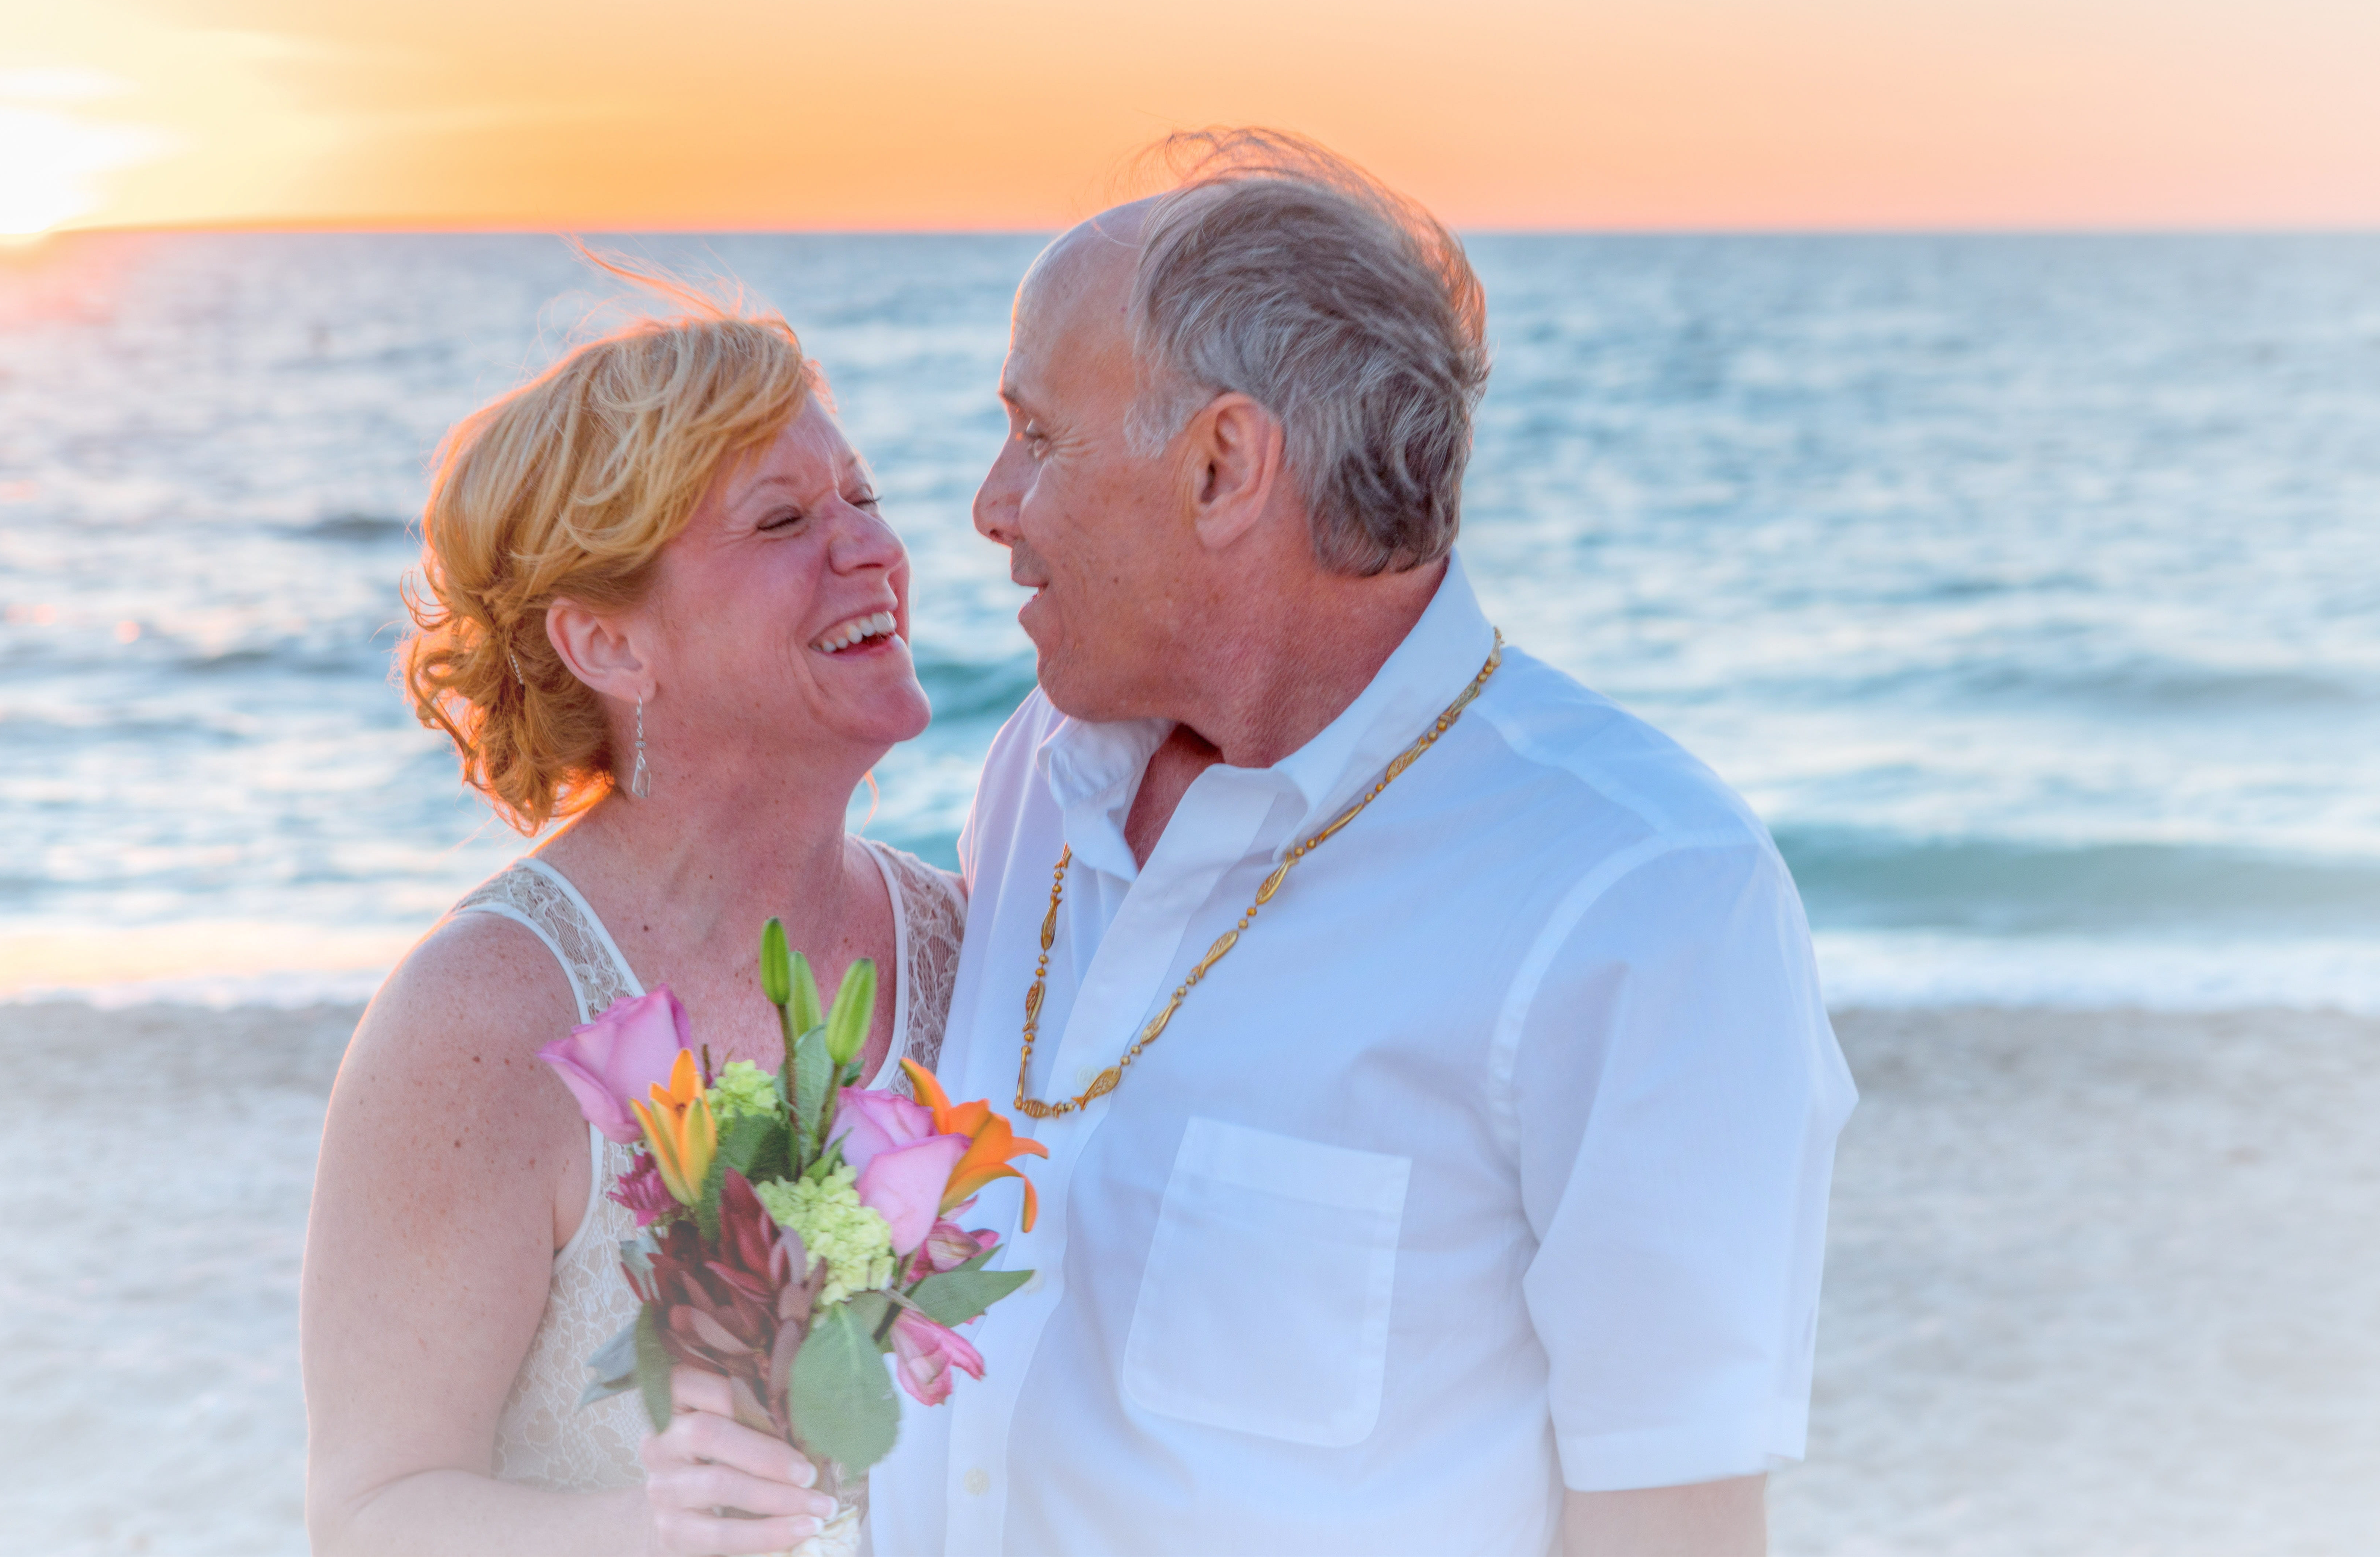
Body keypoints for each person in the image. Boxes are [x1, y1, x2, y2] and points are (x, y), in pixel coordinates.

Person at [868, 131, 1858, 1557]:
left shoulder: (1639, 904)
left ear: (1223, 467)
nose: (989, 507)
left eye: (1036, 437)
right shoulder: (1039, 771)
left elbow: (1674, 1518)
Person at [300, 286, 965, 1556]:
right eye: (781, 519)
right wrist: (648, 1530)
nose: (871, 548)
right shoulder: (485, 1018)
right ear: (606, 641)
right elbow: (370, 1515)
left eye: (863, 498)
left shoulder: (964, 944)